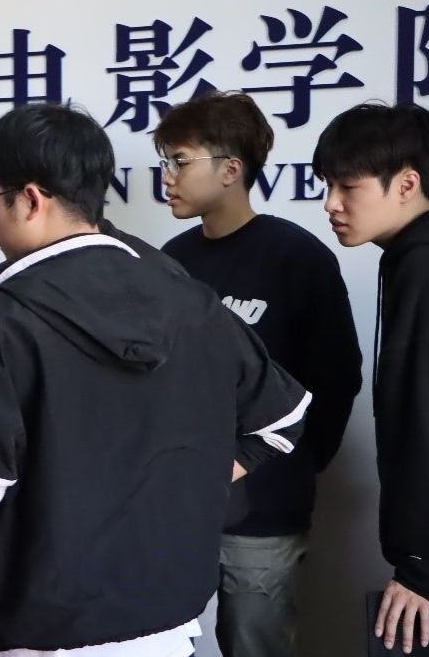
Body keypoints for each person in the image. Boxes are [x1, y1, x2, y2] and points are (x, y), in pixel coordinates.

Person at [0, 103, 311, 657]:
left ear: (31, 199)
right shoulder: (185, 296)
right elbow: (281, 420)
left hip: (36, 627)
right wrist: (186, 488)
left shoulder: (0, 317)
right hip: (165, 625)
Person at [154, 91, 362, 657]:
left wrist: (297, 465)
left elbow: (336, 377)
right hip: (180, 505)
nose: (167, 177)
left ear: (230, 170)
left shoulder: (296, 256)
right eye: (165, 161)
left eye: (180, 161)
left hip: (265, 511)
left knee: (256, 644)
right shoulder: (171, 262)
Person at [313, 102, 429, 655]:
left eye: (348, 187)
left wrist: (421, 564)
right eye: (327, 185)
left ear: (407, 184)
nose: (331, 204)